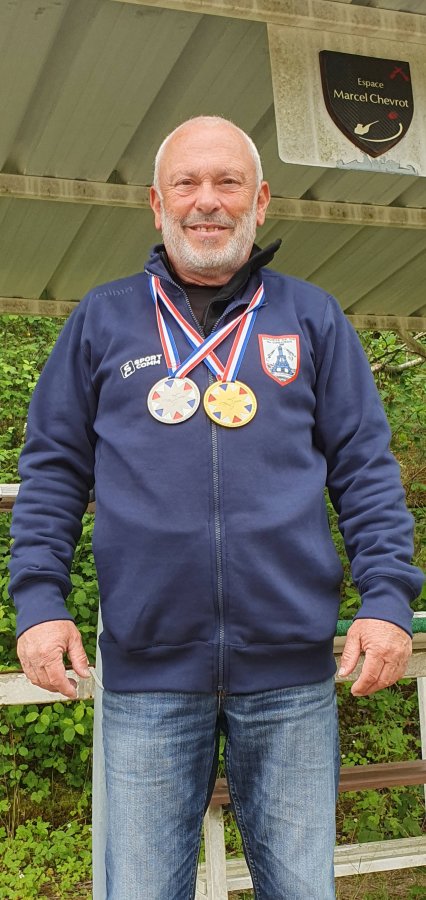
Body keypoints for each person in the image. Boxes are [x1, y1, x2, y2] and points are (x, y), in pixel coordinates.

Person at [9, 117, 423, 900]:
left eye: (227, 183)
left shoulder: (311, 317)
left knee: (302, 890)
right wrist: (38, 604)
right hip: (146, 680)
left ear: (260, 200)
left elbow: (365, 471)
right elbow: (54, 473)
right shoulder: (101, 320)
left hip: (293, 679)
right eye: (188, 184)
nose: (208, 202)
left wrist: (389, 601)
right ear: (155, 203)